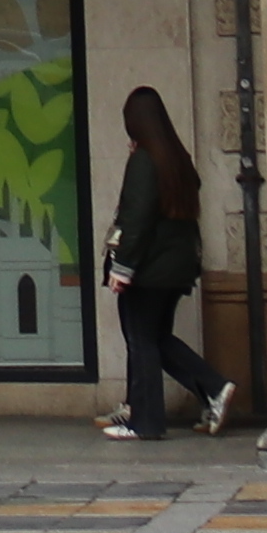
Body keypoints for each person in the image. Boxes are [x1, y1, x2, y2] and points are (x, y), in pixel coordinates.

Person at [96, 84, 233, 440]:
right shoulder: (177, 158)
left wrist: (122, 267)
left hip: (149, 268)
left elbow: (136, 217)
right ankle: (213, 389)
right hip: (176, 267)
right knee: (157, 338)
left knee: (140, 338)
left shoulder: (145, 160)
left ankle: (146, 421)